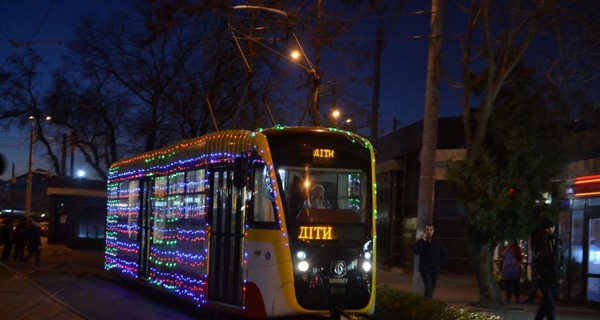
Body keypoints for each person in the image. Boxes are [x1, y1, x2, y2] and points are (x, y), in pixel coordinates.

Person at [532, 218, 563, 320]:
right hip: (544, 276)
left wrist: (561, 273)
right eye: (548, 228)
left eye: (552, 227)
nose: (550, 229)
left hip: (554, 276)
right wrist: (544, 239)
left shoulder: (557, 240)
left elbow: (561, 258)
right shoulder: (539, 240)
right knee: (550, 304)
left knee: (545, 303)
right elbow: (539, 257)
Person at [413, 223, 447, 298]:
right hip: (425, 270)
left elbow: (445, 253)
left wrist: (440, 264)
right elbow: (416, 251)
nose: (429, 231)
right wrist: (423, 240)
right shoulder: (421, 241)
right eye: (427, 230)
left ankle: (424, 304)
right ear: (425, 231)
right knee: (429, 290)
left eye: (431, 230)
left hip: (435, 269)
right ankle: (428, 306)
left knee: (430, 290)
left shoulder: (438, 242)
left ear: (433, 231)